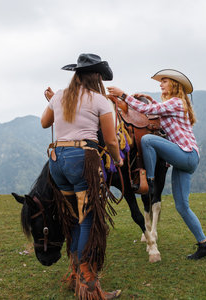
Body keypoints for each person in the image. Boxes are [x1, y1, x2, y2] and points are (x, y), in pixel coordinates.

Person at [107, 69, 206, 260]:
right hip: (186, 159)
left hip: (186, 154)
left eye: (164, 81)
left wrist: (122, 94)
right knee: (182, 207)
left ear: (174, 84)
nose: (161, 84)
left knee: (147, 140)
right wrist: (149, 98)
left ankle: (150, 179)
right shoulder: (173, 105)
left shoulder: (176, 102)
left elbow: (148, 111)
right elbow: (157, 113)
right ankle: (204, 245)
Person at [41, 53, 123, 299]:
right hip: (83, 160)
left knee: (74, 217)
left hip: (57, 161)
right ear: (97, 77)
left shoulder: (60, 96)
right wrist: (117, 159)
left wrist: (54, 102)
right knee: (87, 219)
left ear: (76, 74)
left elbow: (45, 123)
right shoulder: (100, 100)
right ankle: (88, 280)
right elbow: (109, 139)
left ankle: (76, 273)